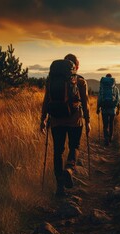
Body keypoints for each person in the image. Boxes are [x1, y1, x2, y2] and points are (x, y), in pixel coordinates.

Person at [40, 54, 91, 197]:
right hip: (75, 121)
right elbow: (85, 104)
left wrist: (43, 119)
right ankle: (69, 169)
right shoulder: (80, 81)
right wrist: (88, 122)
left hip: (56, 120)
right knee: (74, 147)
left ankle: (59, 187)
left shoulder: (50, 80)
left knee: (58, 151)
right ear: (75, 66)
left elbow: (46, 101)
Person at [97, 73, 120, 146]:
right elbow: (118, 99)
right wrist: (118, 109)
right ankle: (110, 138)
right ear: (111, 79)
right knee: (111, 124)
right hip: (112, 109)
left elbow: (99, 98)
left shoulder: (102, 87)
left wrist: (97, 108)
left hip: (104, 109)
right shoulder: (115, 88)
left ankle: (106, 139)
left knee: (105, 124)